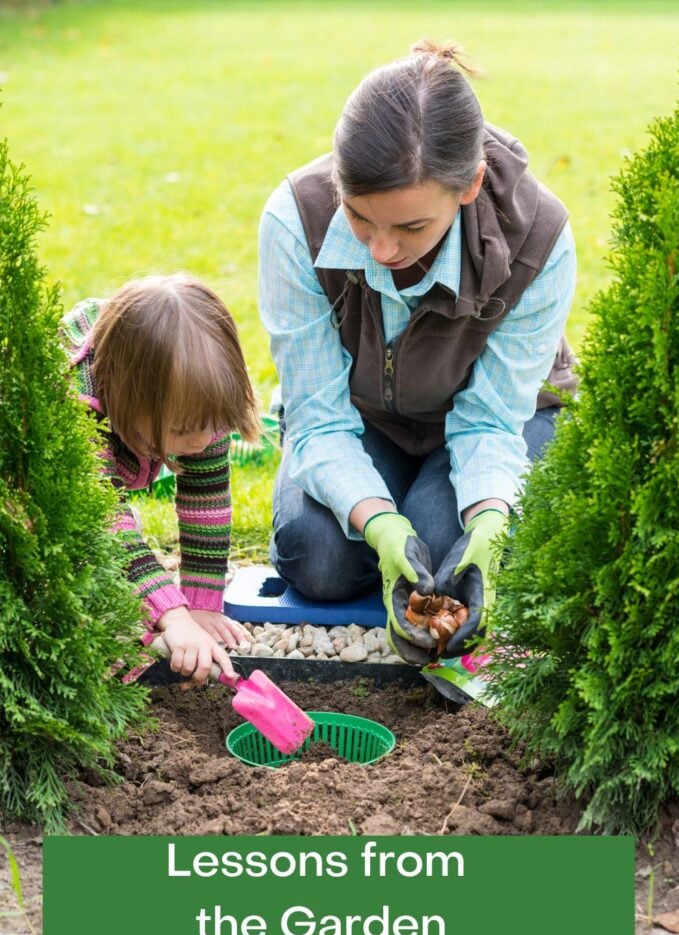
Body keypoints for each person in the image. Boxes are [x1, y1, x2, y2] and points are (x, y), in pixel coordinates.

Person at [259, 40, 578, 667]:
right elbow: (319, 417)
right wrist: (378, 522)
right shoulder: (295, 219)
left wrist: (490, 521)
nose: (381, 249)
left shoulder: (539, 241)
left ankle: (435, 511)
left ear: (471, 186)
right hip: (362, 419)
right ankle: (396, 506)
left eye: (410, 228)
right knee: (316, 557)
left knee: (445, 551)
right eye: (359, 217)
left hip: (495, 424)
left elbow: (491, 420)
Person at [60, 273, 260, 683]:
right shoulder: (77, 405)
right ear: (129, 399)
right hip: (47, 485)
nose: (203, 440)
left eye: (212, 425)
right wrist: (171, 614)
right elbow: (105, 521)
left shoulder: (199, 398)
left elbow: (206, 501)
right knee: (83, 559)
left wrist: (200, 605)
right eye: (185, 429)